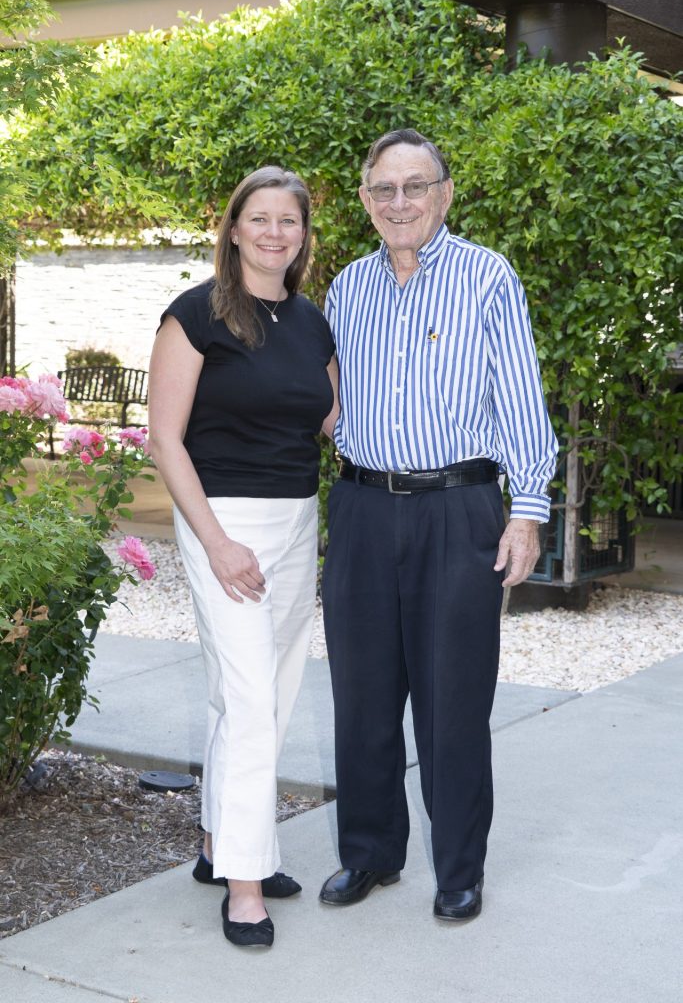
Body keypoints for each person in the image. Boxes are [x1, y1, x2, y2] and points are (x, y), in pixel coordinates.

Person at [319, 129, 558, 921]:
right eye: (382, 190)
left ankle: (459, 869)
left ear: (444, 194)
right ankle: (370, 855)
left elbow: (521, 399)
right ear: (363, 201)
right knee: (360, 697)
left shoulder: (486, 277)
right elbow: (322, 401)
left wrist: (526, 511)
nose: (398, 203)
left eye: (413, 186)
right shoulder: (346, 288)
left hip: (457, 511)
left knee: (452, 701)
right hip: (358, 507)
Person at [148, 166, 338, 948]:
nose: (272, 232)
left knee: (261, 695)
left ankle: (219, 843)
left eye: (287, 221)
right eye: (257, 219)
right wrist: (218, 542)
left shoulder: (309, 321)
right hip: (221, 519)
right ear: (232, 229)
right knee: (254, 699)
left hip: (296, 518)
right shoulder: (194, 315)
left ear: (302, 235)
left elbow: (333, 418)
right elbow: (164, 438)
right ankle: (246, 884)